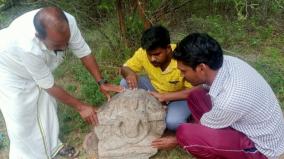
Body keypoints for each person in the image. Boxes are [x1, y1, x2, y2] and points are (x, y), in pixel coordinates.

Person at [0, 7, 122, 159]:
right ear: (39, 37)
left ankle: (53, 148)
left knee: (46, 106)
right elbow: (48, 85)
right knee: (20, 116)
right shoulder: (26, 45)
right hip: (9, 68)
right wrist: (81, 107)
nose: (64, 47)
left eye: (66, 41)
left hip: (34, 65)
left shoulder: (67, 22)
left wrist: (101, 82)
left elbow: (83, 51)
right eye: (58, 44)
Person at [151, 33, 284, 159]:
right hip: (246, 123)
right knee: (195, 96)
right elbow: (203, 96)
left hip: (262, 149)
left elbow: (209, 120)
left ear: (201, 68)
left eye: (183, 71)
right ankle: (211, 136)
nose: (181, 76)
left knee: (185, 134)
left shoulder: (230, 98)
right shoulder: (226, 62)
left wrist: (177, 140)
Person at [120, 25, 192, 131]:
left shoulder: (182, 57)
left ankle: (180, 114)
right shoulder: (143, 52)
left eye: (157, 54)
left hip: (180, 96)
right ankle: (151, 109)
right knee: (125, 83)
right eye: (149, 55)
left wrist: (164, 97)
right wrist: (129, 73)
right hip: (154, 90)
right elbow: (124, 68)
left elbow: (192, 92)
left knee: (173, 123)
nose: (152, 59)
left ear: (168, 49)